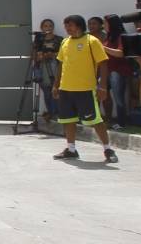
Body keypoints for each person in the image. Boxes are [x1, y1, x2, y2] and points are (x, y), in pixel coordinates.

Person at [53, 14, 118, 163]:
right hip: (66, 89)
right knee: (68, 120)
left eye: (70, 25)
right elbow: (61, 65)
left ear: (79, 26)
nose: (67, 28)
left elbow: (103, 63)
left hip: (86, 89)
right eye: (66, 25)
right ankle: (71, 150)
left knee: (95, 121)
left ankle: (108, 149)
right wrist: (56, 85)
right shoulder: (65, 42)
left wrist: (102, 86)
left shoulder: (92, 41)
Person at [99, 14, 132, 129]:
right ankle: (101, 118)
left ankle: (121, 123)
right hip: (107, 70)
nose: (104, 25)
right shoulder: (108, 37)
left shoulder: (122, 36)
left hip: (118, 71)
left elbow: (120, 53)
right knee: (101, 92)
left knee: (119, 97)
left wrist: (103, 48)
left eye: (105, 23)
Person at [32, 19, 63, 120]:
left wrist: (53, 54)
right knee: (47, 92)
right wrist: (41, 56)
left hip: (56, 68)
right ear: (41, 28)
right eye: (45, 26)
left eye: (50, 26)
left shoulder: (59, 39)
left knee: (56, 91)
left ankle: (58, 113)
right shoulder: (38, 40)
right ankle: (50, 112)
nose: (48, 28)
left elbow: (65, 54)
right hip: (42, 69)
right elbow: (33, 56)